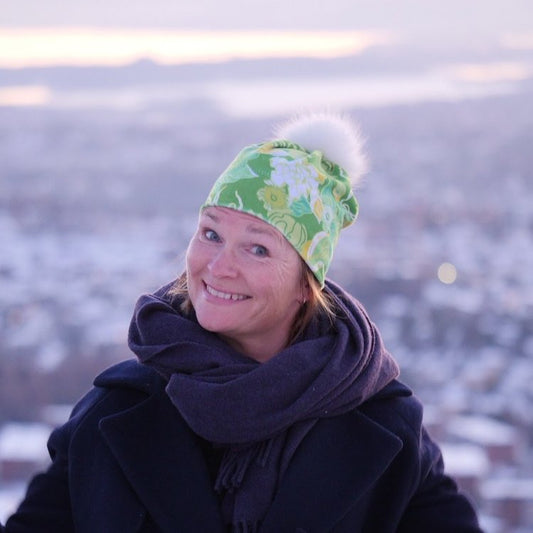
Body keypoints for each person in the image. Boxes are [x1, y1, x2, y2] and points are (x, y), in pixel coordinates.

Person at [1, 113, 483, 532]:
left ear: (305, 283)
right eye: (211, 233)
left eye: (257, 248)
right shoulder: (112, 413)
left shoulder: (384, 431)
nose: (218, 266)